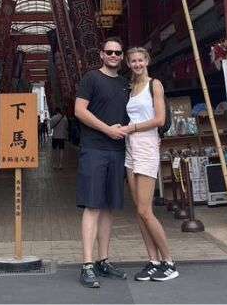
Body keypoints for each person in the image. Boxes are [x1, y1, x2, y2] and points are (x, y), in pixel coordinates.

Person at [74, 37, 131, 289]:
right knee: (92, 205)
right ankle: (87, 264)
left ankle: (103, 260)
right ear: (101, 54)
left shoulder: (125, 83)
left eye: (118, 52)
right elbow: (80, 111)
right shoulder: (91, 79)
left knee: (109, 207)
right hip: (94, 149)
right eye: (109, 51)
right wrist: (107, 130)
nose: (114, 55)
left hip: (118, 151)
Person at [124, 46, 178, 282]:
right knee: (139, 211)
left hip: (146, 146)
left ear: (147, 60)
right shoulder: (131, 88)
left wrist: (133, 128)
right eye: (133, 61)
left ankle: (169, 262)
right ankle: (153, 260)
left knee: (146, 210)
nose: (137, 64)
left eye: (140, 60)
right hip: (130, 148)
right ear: (129, 64)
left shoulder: (154, 84)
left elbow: (159, 119)